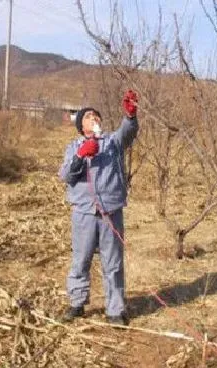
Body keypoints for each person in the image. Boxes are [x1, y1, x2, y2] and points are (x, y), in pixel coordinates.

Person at [58, 90, 139, 325]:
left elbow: (128, 133)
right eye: (88, 116)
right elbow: (65, 175)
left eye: (96, 115)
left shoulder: (113, 142)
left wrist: (130, 115)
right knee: (80, 260)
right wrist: (81, 156)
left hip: (110, 213)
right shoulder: (74, 147)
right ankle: (77, 304)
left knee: (113, 262)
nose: (93, 118)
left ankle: (115, 309)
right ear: (81, 125)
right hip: (83, 212)